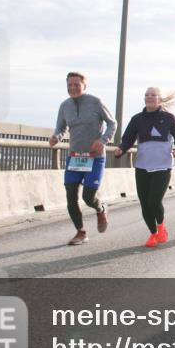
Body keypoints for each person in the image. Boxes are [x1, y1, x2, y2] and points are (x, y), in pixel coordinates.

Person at [50, 72, 116, 246]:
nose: (73, 88)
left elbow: (112, 123)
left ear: (84, 86)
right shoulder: (64, 106)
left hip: (94, 157)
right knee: (71, 195)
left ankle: (101, 208)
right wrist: (56, 136)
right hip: (75, 157)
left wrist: (103, 140)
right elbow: (61, 127)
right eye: (69, 85)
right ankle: (81, 232)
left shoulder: (95, 102)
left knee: (88, 197)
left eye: (76, 84)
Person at [114, 87, 175, 247]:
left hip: (163, 165)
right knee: (144, 203)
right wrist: (121, 150)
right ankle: (153, 233)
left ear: (159, 99)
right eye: (147, 95)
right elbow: (128, 139)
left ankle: (161, 227)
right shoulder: (137, 119)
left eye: (153, 95)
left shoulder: (168, 118)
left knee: (154, 200)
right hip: (142, 165)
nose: (149, 97)